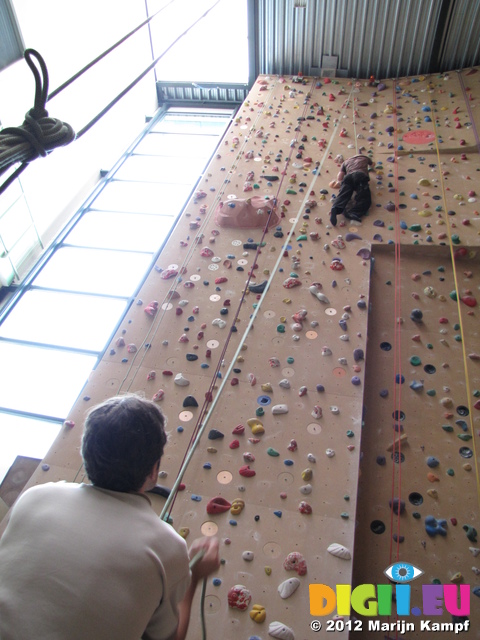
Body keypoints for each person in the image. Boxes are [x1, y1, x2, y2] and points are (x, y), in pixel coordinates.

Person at [0, 394, 220, 640]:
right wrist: (194, 577)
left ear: (86, 454)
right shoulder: (166, 547)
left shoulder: (35, 497)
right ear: (154, 471)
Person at [329, 153, 374, 226]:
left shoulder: (346, 162)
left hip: (348, 177)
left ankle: (336, 207)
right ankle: (354, 213)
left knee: (343, 194)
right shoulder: (364, 158)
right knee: (364, 197)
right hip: (360, 175)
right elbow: (372, 165)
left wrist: (341, 184)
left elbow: (340, 177)